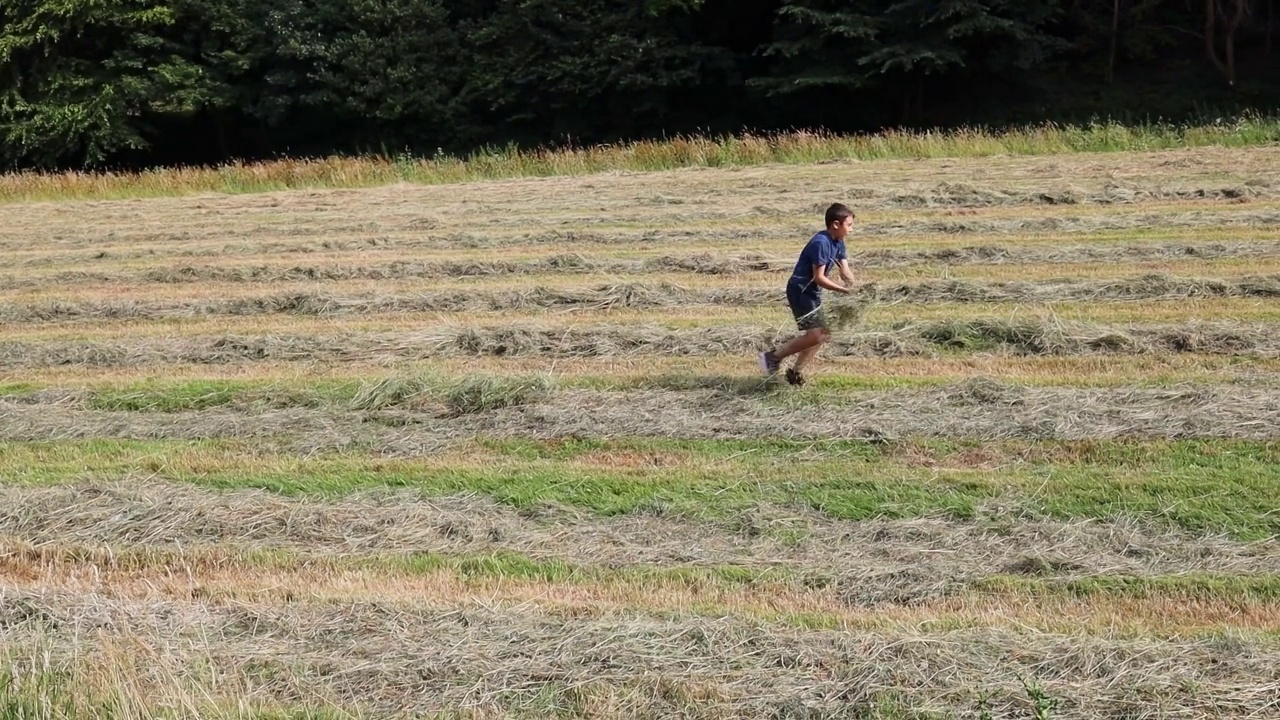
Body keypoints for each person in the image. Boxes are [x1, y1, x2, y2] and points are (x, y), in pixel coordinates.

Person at [758, 202, 857, 386]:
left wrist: (856, 288)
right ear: (836, 224)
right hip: (801, 291)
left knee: (823, 334)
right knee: (815, 335)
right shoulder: (821, 243)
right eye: (849, 225)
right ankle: (772, 357)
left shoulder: (837, 241)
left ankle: (795, 373)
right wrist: (844, 291)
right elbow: (819, 278)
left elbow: (845, 270)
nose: (851, 230)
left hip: (811, 292)